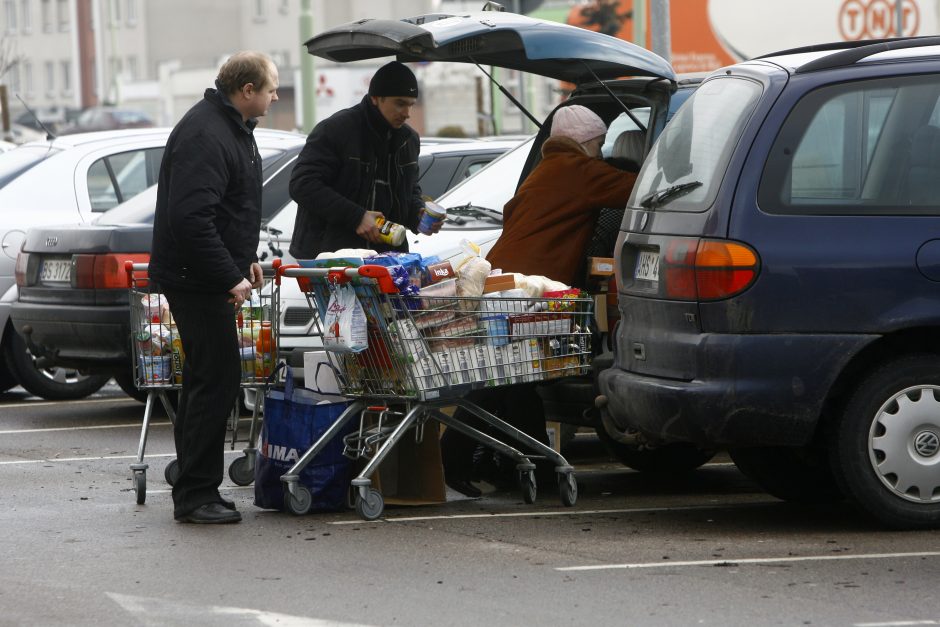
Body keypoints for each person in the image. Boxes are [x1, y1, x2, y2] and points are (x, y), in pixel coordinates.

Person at [441, 105, 639, 497]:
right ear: (583, 142)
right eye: (598, 144)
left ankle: (524, 464)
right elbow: (636, 190)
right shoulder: (578, 171)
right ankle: (456, 457)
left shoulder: (542, 172)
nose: (600, 152)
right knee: (501, 381)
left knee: (516, 381)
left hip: (503, 283)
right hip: (529, 292)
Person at [149, 51, 279, 524]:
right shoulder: (208, 133)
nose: (275, 95)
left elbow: (227, 210)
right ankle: (196, 494)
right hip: (195, 279)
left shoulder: (231, 129)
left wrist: (244, 261)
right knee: (215, 380)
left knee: (211, 379)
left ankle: (195, 483)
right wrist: (228, 276)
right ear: (246, 91)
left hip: (205, 274)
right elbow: (190, 218)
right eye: (270, 88)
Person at [289, 61, 441, 259]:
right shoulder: (336, 130)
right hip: (332, 259)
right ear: (376, 98)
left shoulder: (408, 139)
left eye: (411, 104)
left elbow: (410, 191)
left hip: (388, 259)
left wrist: (418, 214)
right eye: (400, 103)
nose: (407, 113)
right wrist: (357, 217)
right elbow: (302, 184)